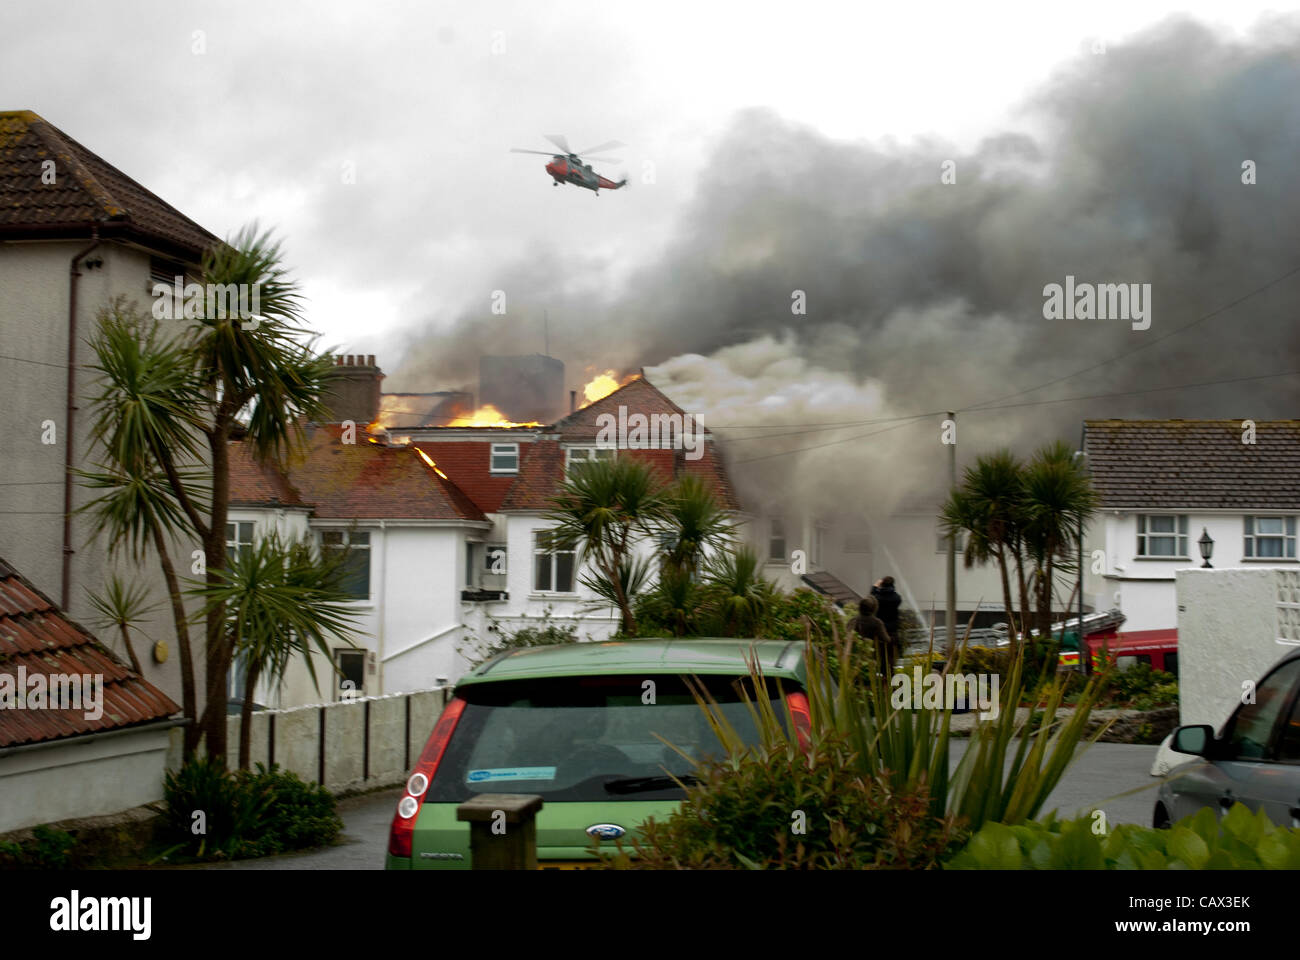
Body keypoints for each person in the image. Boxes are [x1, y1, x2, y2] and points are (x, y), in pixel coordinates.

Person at [848, 595, 893, 674]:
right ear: (874, 609)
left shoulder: (853, 620)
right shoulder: (877, 623)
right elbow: (886, 639)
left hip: (855, 658)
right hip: (873, 658)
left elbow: (847, 635)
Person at [871, 576, 903, 665]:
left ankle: (880, 675)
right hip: (893, 631)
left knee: (878, 656)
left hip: (879, 630)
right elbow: (894, 594)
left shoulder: (877, 598)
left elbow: (871, 598)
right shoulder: (897, 598)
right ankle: (890, 675)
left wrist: (875, 587)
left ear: (882, 584)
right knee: (891, 656)